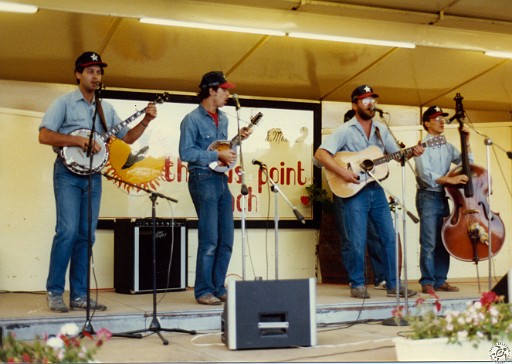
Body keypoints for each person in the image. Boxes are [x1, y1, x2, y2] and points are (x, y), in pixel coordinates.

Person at [39, 51, 157, 312]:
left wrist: (146, 121)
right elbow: (45, 136)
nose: (96, 76)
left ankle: (79, 295)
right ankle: (55, 291)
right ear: (78, 74)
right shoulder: (65, 103)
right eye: (90, 71)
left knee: (86, 236)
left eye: (99, 71)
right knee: (67, 231)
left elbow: (127, 139)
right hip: (67, 174)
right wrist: (78, 140)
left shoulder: (106, 109)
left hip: (92, 176)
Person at [314, 85, 422, 299]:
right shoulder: (345, 130)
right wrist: (343, 173)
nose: (370, 103)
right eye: (365, 100)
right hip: (355, 192)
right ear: (354, 105)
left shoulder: (381, 130)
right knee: (357, 239)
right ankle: (357, 283)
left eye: (372, 100)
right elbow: (321, 154)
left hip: (376, 189)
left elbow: (397, 156)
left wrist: (412, 153)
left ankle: (393, 285)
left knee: (389, 236)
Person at [179, 71, 252, 305]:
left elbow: (224, 150)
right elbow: (186, 152)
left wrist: (236, 141)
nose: (228, 94)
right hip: (202, 178)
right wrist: (216, 154)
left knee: (226, 238)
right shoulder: (192, 119)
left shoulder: (226, 119)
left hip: (221, 180)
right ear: (211, 91)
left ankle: (219, 286)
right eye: (225, 90)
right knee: (210, 237)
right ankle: (203, 290)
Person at [415, 105, 472, 294]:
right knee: (429, 241)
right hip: (428, 196)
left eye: (442, 118)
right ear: (427, 123)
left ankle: (440, 280)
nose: (441, 121)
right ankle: (427, 281)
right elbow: (425, 176)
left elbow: (468, 163)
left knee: (444, 239)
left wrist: (467, 141)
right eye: (436, 118)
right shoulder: (422, 146)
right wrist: (450, 179)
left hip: (443, 197)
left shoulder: (447, 146)